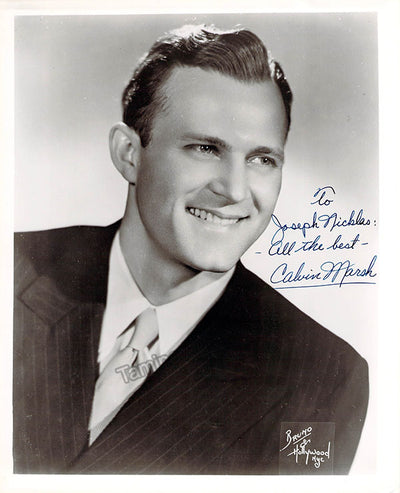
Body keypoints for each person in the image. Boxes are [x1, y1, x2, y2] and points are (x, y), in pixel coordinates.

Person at [13, 24, 368, 475]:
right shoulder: (16, 269)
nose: (235, 191)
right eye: (205, 148)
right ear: (129, 154)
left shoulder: (319, 375)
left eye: (262, 160)